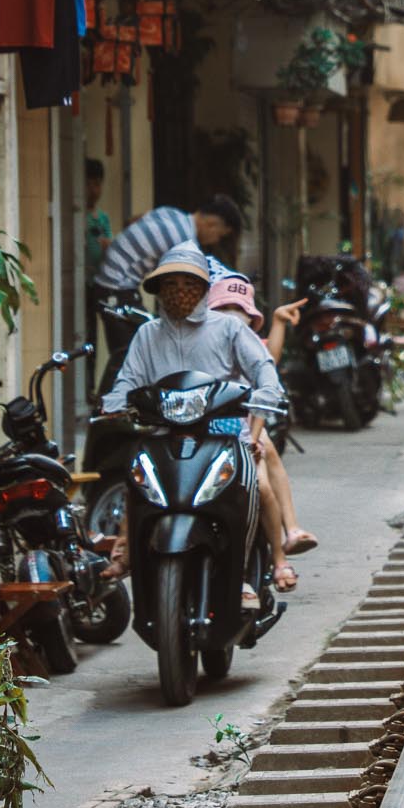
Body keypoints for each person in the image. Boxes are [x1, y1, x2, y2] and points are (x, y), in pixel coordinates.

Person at [100, 242, 286, 604]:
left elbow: (262, 367)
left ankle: (243, 572)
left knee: (245, 489)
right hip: (164, 434)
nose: (180, 291)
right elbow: (128, 379)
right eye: (171, 284)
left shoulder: (229, 329)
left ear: (203, 289)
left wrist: (266, 391)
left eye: (189, 283)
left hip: (225, 433)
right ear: (159, 291)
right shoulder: (147, 335)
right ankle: (127, 552)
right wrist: (114, 402)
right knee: (135, 480)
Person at [207, 270, 319, 581]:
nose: (231, 319)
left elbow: (264, 385)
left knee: (264, 478)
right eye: (223, 312)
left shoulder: (251, 349)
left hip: (242, 429)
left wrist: (252, 439)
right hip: (206, 433)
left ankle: (283, 548)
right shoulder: (201, 349)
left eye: (238, 312)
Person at [94, 195, 243, 295]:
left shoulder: (171, 213)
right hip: (116, 284)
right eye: (219, 235)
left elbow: (132, 221)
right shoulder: (186, 241)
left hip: (105, 274)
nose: (216, 241)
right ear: (212, 224)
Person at [83, 158, 111, 289]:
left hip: (97, 281)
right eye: (88, 184)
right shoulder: (76, 217)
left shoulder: (103, 218)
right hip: (80, 280)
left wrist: (108, 247)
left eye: (97, 184)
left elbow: (109, 245)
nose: (93, 190)